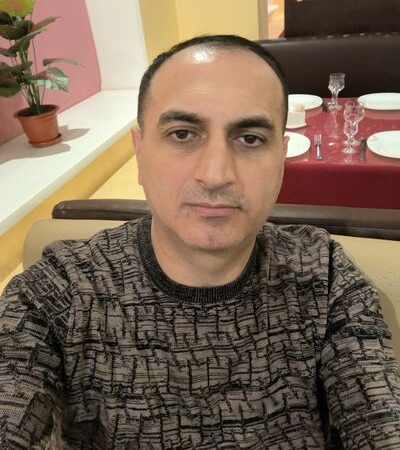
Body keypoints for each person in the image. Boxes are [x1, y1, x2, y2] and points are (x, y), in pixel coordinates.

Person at [0, 34, 399, 449]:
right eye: (183, 134)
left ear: (281, 158)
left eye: (250, 139)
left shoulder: (323, 276)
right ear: (140, 152)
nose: (215, 174)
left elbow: (379, 418)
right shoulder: (61, 291)